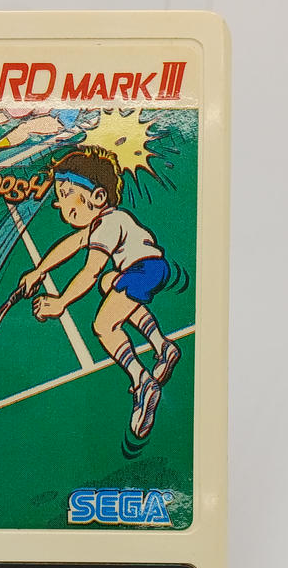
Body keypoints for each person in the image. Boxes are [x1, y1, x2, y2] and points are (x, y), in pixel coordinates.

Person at [19, 145, 180, 439]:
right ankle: (162, 346)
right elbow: (71, 244)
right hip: (149, 268)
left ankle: (141, 380)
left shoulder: (106, 225)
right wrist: (39, 270)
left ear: (98, 197)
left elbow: (90, 271)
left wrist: (60, 302)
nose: (58, 204)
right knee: (109, 283)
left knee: (104, 325)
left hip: (143, 270)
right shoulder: (107, 220)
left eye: (66, 194)